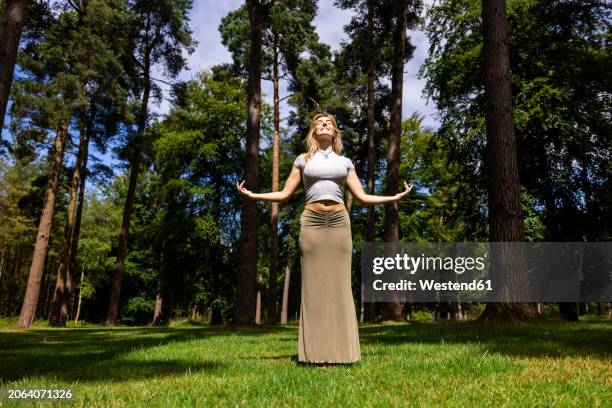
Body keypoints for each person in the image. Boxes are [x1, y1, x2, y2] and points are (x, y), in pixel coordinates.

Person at [236, 112, 412, 365]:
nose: (324, 124)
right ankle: (313, 354)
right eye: (319, 122)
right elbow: (284, 194)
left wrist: (393, 198)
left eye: (329, 122)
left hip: (339, 223)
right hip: (312, 223)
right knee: (313, 286)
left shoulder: (346, 162)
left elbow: (363, 197)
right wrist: (254, 196)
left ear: (335, 132)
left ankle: (344, 354)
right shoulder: (302, 160)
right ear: (314, 132)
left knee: (340, 286)